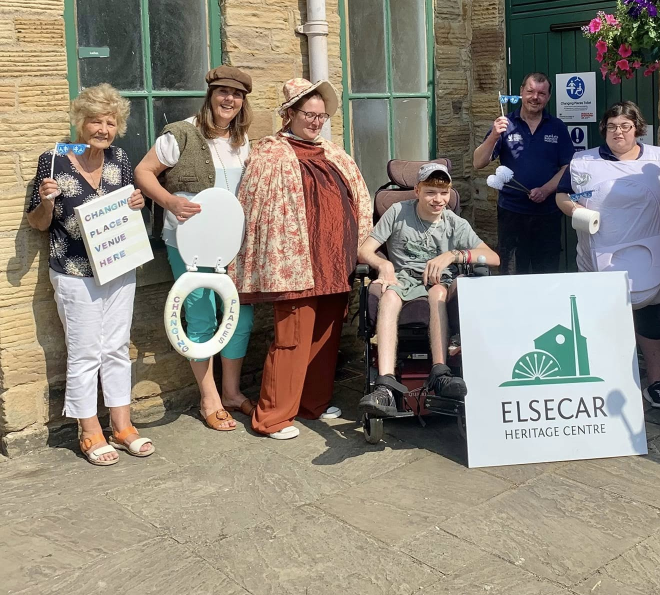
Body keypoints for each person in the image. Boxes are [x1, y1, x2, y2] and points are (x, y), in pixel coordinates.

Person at [232, 79, 373, 440]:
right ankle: (273, 417)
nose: (315, 121)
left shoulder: (333, 152)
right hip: (293, 262)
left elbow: (359, 196)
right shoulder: (270, 152)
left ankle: (313, 403)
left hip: (333, 259)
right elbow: (254, 208)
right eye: (308, 114)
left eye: (321, 115)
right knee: (292, 337)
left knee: (326, 335)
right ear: (289, 114)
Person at [26, 84, 153, 465]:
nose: (103, 129)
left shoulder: (119, 159)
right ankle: (89, 430)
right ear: (80, 122)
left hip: (117, 266)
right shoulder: (54, 159)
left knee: (116, 346)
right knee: (84, 353)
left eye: (110, 122)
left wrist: (137, 203)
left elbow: (131, 214)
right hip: (74, 271)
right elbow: (38, 223)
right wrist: (46, 200)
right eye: (95, 120)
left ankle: (123, 424)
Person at [134, 66, 255, 432]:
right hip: (189, 244)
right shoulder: (181, 134)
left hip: (230, 244)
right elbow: (143, 171)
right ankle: (209, 398)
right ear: (210, 94)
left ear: (242, 102)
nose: (228, 99)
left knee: (240, 317)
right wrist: (169, 201)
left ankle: (232, 392)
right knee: (201, 316)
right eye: (222, 92)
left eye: (236, 95)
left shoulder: (241, 140)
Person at [554, 102, 660, 409]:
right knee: (603, 322)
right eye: (611, 126)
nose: (618, 132)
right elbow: (562, 195)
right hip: (600, 252)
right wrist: (576, 210)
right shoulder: (583, 161)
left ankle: (656, 384)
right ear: (603, 130)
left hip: (650, 253)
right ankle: (608, 379)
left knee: (651, 320)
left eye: (625, 126)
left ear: (637, 128)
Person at [357, 163, 499, 416]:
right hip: (403, 278)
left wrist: (453, 255)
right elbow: (365, 250)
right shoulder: (398, 212)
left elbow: (493, 257)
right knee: (389, 296)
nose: (438, 200)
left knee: (438, 293)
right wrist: (384, 264)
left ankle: (440, 371)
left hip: (439, 282)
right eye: (431, 192)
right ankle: (385, 384)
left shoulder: (455, 223)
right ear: (417, 191)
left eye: (444, 194)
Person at [472, 72, 573, 275]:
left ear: (548, 97)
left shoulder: (557, 127)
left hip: (548, 214)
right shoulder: (505, 124)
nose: (535, 97)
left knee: (547, 271)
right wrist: (493, 136)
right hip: (512, 213)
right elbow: (478, 162)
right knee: (512, 272)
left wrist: (545, 190)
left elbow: (568, 167)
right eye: (530, 91)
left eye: (541, 93)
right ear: (521, 92)